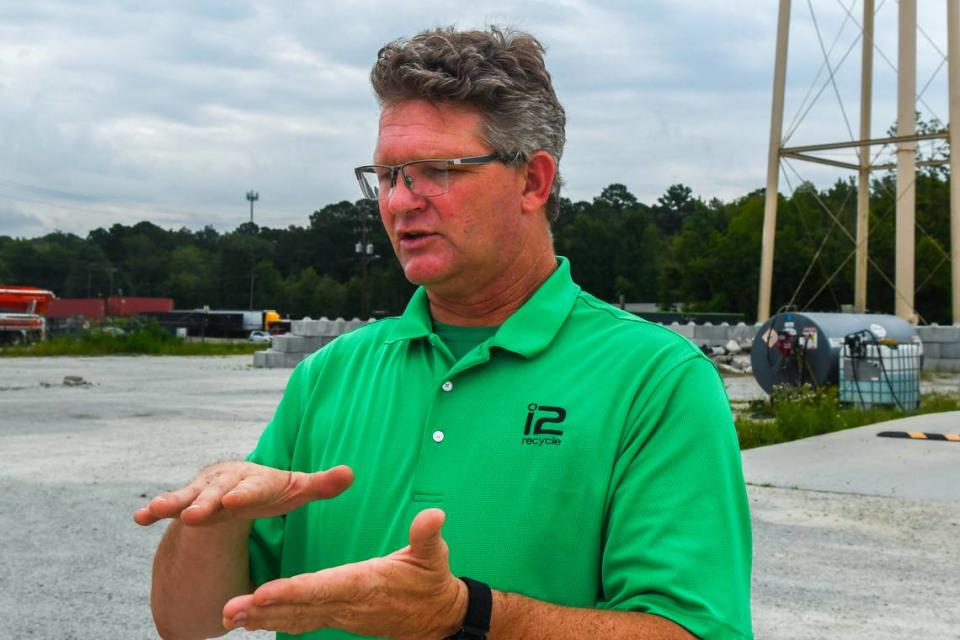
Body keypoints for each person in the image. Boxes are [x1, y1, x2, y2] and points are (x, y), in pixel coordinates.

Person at [135, 26, 752, 640]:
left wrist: (466, 615)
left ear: (533, 181)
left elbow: (693, 630)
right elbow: (186, 624)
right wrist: (211, 519)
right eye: (386, 175)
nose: (401, 201)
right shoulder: (330, 375)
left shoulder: (655, 381)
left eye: (437, 170)